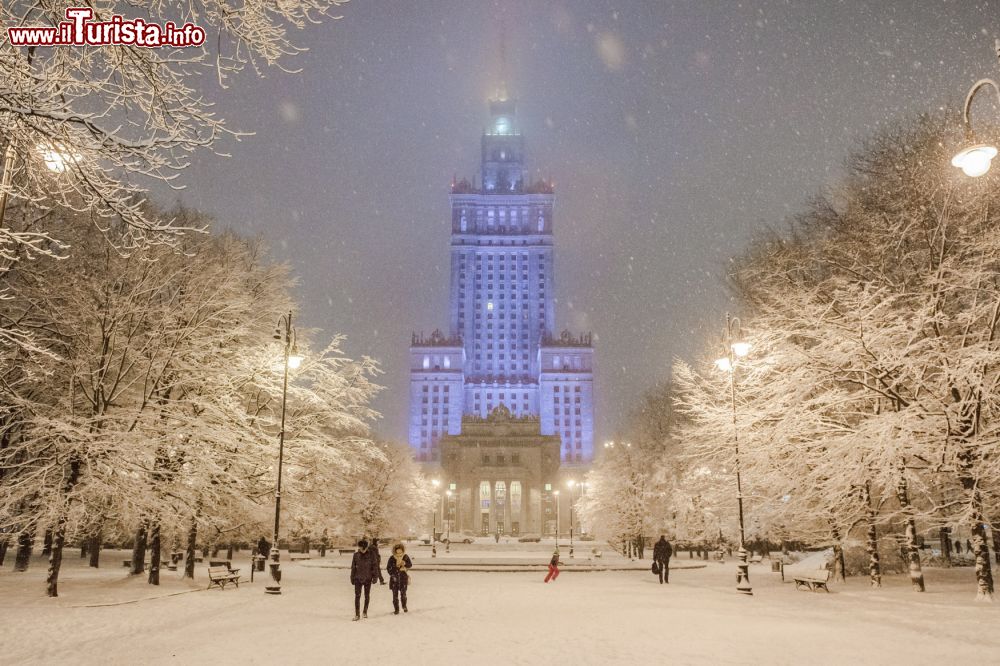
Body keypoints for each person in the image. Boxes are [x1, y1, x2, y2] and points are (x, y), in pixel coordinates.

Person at [350, 539, 379, 621]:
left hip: (368, 578)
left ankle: (365, 612)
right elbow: (353, 567)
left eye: (362, 548)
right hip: (357, 578)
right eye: (359, 548)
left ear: (366, 547)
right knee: (357, 596)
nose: (361, 550)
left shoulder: (372, 554)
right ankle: (357, 614)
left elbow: (375, 566)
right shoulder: (356, 555)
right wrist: (352, 577)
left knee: (366, 596)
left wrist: (375, 577)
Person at [386, 543, 413, 614]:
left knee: (403, 594)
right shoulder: (392, 558)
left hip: (403, 578)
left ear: (403, 551)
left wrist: (405, 564)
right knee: (395, 596)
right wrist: (395, 569)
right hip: (394, 579)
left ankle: (404, 606)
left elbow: (410, 565)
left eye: (401, 552)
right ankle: (396, 609)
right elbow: (388, 568)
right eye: (397, 552)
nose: (399, 554)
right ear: (395, 551)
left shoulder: (405, 557)